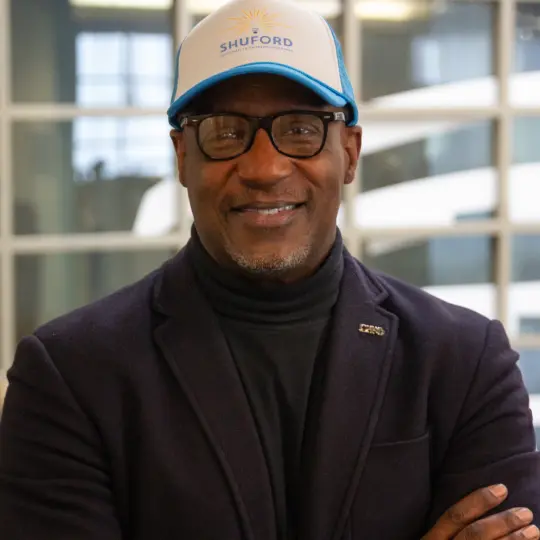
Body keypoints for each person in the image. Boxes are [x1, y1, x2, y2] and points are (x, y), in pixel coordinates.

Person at [1, 0, 539, 538]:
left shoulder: (464, 362)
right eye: (225, 132)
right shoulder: (71, 376)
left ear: (350, 152)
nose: (265, 168)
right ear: (182, 157)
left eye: (301, 129)